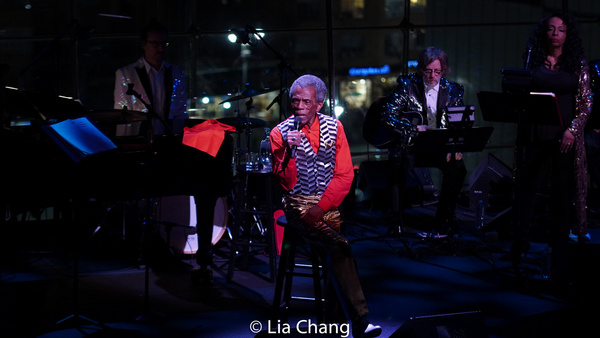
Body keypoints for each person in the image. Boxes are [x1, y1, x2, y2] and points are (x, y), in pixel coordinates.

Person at [270, 74, 382, 338]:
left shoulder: (335, 127)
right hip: (298, 204)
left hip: (327, 205)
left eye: (305, 101)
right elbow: (285, 182)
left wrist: (322, 207)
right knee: (340, 246)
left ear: (318, 104)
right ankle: (360, 320)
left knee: (336, 251)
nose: (298, 106)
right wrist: (288, 151)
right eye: (295, 101)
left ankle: (335, 321)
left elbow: (345, 175)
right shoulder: (279, 133)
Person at [511, 13, 592, 286]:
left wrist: (572, 130)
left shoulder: (577, 64)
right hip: (535, 134)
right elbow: (519, 94)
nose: (556, 33)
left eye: (561, 29)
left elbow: (586, 103)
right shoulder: (533, 59)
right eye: (551, 29)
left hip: (564, 137)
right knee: (527, 192)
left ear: (568, 34)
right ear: (544, 33)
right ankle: (519, 251)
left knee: (560, 196)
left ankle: (560, 256)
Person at [367, 46, 467, 237]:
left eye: (437, 71)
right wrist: (413, 129)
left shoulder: (453, 90)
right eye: (428, 71)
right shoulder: (407, 85)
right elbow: (388, 116)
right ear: (421, 69)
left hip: (439, 146)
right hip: (411, 144)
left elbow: (459, 122)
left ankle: (444, 219)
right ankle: (397, 221)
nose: (432, 76)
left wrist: (456, 147)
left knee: (458, 168)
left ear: (444, 71)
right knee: (397, 162)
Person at [114, 19, 187, 138]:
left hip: (169, 138)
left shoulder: (176, 72)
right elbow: (122, 114)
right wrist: (123, 143)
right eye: (155, 44)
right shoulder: (126, 74)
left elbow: (180, 111)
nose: (161, 48)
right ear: (144, 44)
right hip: (140, 138)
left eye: (164, 44)